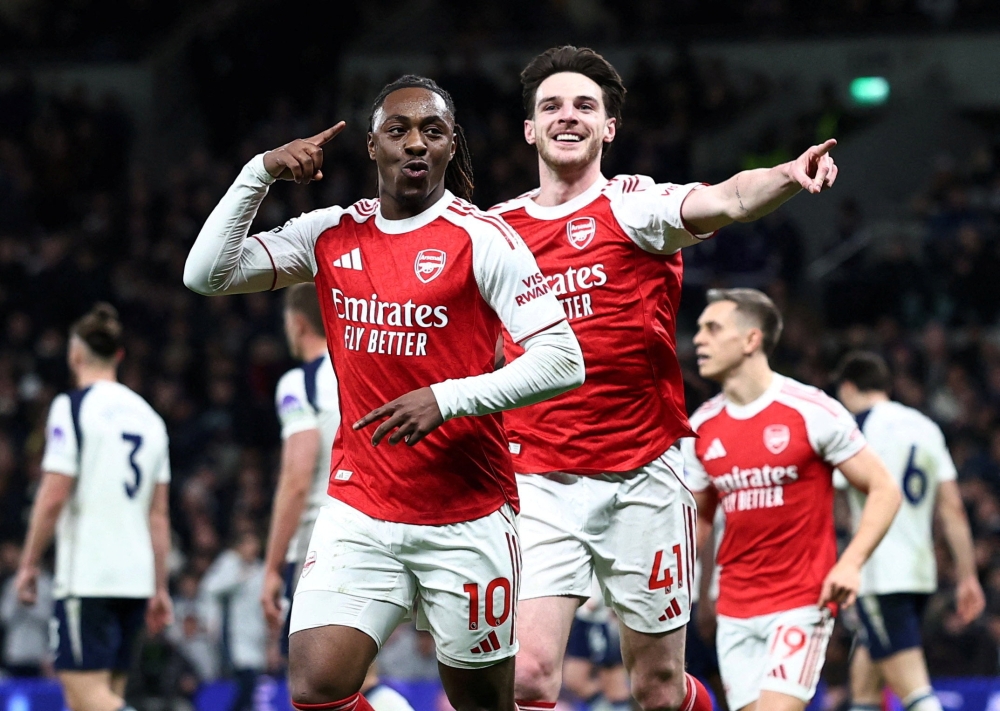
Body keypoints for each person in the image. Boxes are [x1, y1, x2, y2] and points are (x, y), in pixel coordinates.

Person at [183, 75, 585, 711]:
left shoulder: (483, 239)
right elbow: (206, 274)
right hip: (360, 506)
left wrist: (447, 398)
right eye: (398, 130)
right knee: (314, 686)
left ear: (452, 146)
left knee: (484, 703)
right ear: (372, 147)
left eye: (433, 131)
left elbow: (564, 361)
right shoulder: (329, 234)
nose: (415, 143)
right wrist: (258, 172)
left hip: (467, 513)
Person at [488, 45, 840, 711]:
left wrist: (789, 175)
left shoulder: (636, 207)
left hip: (642, 478)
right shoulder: (497, 231)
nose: (569, 116)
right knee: (529, 675)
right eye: (552, 107)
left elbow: (730, 198)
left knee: (655, 687)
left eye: (585, 106)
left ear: (608, 128)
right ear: (530, 129)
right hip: (537, 480)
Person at [682, 289, 901, 711]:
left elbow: (884, 488)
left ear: (751, 340)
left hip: (802, 600)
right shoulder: (702, 427)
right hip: (733, 607)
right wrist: (683, 586)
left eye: (713, 328)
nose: (699, 341)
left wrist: (851, 562)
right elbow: (699, 517)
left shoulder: (811, 410)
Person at [14, 303, 173, 711]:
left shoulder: (73, 407)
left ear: (75, 354)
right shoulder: (151, 418)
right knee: (100, 699)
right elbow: (158, 516)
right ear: (119, 355)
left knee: (86, 694)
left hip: (89, 577)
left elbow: (52, 496)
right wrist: (159, 586)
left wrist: (29, 562)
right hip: (136, 579)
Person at [833, 351, 986, 711]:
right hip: (918, 573)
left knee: (914, 689)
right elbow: (953, 509)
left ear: (849, 387)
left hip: (878, 574)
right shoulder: (924, 426)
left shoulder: (857, 428)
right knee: (865, 680)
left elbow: (836, 498)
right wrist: (967, 577)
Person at [260, 284, 340, 649]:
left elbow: (296, 479)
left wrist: (273, 567)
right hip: (373, 529)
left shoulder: (300, 383)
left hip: (317, 544)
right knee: (358, 674)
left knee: (312, 680)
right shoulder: (361, 372)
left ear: (297, 323)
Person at [201, 530, 268, 711]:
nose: (252, 549)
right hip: (232, 633)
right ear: (239, 547)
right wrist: (238, 578)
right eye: (248, 544)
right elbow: (210, 587)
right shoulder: (228, 563)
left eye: (255, 545)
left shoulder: (261, 569)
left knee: (250, 684)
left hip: (256, 633)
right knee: (246, 681)